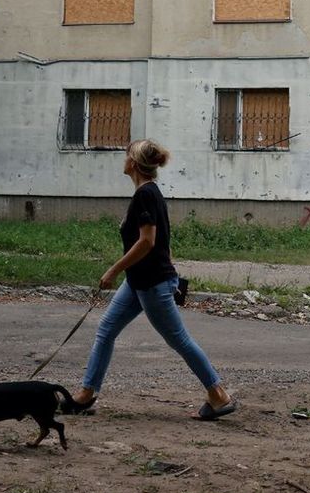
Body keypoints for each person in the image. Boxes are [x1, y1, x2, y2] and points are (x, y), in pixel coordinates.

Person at [71, 139, 237, 421]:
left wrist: (113, 270)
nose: (123, 160)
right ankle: (87, 393)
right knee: (106, 330)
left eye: (126, 156)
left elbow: (147, 242)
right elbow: (163, 242)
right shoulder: (150, 192)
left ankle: (218, 395)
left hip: (150, 283)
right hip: (140, 281)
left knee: (179, 340)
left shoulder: (145, 195)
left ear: (133, 163)